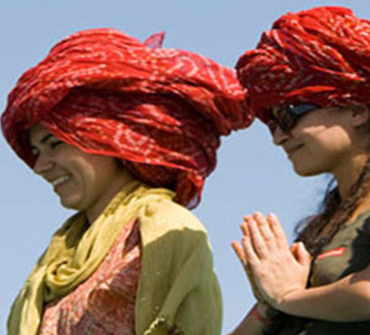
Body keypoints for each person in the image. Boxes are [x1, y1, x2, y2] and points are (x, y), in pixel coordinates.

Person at [2, 29, 253, 335]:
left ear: (104, 136)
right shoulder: (62, 253)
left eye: (55, 143)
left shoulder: (163, 229)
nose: (40, 166)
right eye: (37, 151)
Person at [228, 6, 370, 335]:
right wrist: (267, 306)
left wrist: (287, 296)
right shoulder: (324, 225)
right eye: (272, 124)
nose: (279, 137)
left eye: (290, 115)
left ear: (356, 110)